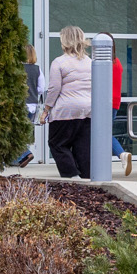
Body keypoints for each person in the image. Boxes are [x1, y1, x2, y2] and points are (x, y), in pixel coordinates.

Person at [39, 25, 95, 178]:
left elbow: (54, 88)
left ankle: (71, 175)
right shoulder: (90, 62)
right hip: (88, 109)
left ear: (65, 41)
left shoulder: (59, 62)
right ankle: (86, 177)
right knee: (82, 147)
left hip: (66, 110)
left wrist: (46, 110)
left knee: (57, 144)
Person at [105, 37, 131, 177]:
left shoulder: (104, 63)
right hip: (115, 102)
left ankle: (121, 154)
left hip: (104, 102)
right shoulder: (117, 62)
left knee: (103, 133)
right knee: (104, 132)